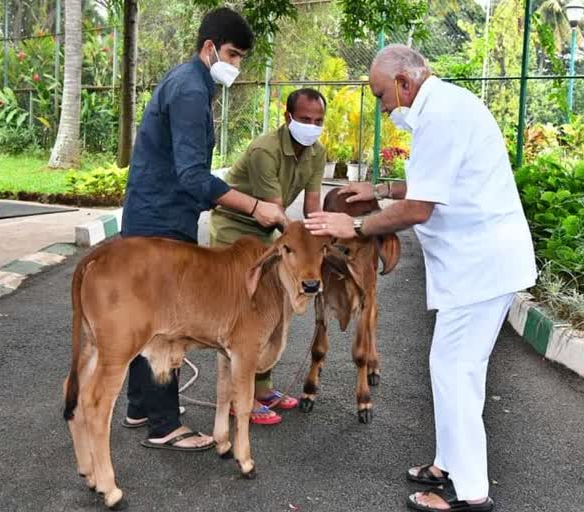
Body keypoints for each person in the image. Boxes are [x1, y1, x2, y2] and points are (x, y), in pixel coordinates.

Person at [304, 44, 537, 511]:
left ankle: (470, 493)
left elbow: (420, 208)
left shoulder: (440, 116)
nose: (382, 106)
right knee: (448, 368)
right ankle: (447, 465)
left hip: (481, 267)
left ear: (405, 84)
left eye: (381, 95)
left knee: (458, 372)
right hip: (473, 267)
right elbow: (433, 183)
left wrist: (352, 226)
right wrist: (381, 189)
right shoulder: (444, 107)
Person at [119, 7, 286, 452]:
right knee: (166, 321)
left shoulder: (191, 83)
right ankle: (164, 424)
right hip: (160, 222)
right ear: (209, 47)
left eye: (242, 58)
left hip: (154, 215)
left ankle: (140, 406)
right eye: (232, 54)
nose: (236, 65)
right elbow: (193, 176)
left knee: (145, 315)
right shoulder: (191, 90)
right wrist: (256, 209)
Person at [208, 87, 328, 425]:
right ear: (288, 118)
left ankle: (262, 387)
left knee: (275, 309)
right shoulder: (266, 150)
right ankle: (235, 396)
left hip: (274, 232)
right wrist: (301, 252)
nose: (312, 125)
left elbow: (312, 209)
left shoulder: (317, 153)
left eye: (318, 120)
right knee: (246, 312)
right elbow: (275, 213)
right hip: (236, 227)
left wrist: (321, 246)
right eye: (305, 119)